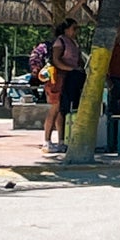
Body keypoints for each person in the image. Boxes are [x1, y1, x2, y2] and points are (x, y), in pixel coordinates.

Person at [45, 19, 85, 155]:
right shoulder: (60, 42)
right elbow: (56, 60)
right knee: (55, 108)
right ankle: (47, 140)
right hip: (59, 78)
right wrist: (70, 69)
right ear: (66, 29)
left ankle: (61, 140)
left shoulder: (74, 43)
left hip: (71, 78)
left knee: (63, 109)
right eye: (74, 28)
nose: (76, 31)